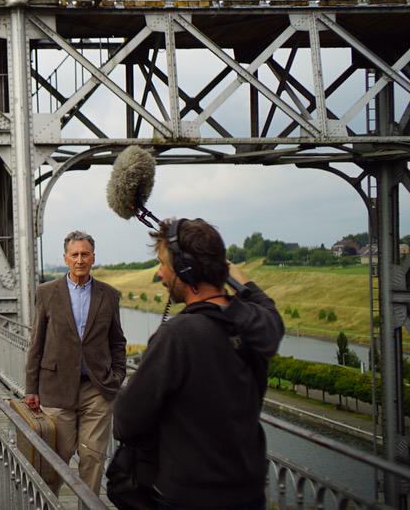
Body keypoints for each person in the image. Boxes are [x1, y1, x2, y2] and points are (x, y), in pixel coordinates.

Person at [112, 217, 284, 510]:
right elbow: (263, 302)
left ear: (185, 270)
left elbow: (126, 421)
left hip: (188, 497)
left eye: (163, 264)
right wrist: (219, 264)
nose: (160, 273)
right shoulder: (258, 324)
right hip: (249, 494)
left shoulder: (177, 336)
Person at [24, 230, 127, 494]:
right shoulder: (47, 293)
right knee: (59, 457)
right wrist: (31, 388)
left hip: (97, 388)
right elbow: (37, 342)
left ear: (93, 258)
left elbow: (117, 342)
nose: (80, 259)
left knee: (92, 457)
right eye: (75, 255)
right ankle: (50, 501)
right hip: (56, 388)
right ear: (66, 258)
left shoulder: (109, 295)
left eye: (85, 254)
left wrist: (116, 378)